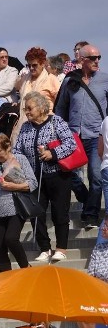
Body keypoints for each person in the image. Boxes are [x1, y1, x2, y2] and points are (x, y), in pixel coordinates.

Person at [13, 91, 77, 262]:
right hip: (34, 178)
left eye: (29, 108)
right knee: (35, 213)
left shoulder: (56, 122)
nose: (26, 112)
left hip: (58, 176)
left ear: (41, 108)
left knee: (59, 213)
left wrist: (53, 153)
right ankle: (44, 247)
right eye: (25, 109)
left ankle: (61, 248)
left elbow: (70, 143)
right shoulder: (25, 127)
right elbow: (17, 150)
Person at [55, 42, 108, 229]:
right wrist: (59, 130)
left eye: (99, 57)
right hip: (73, 135)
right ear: (82, 60)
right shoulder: (70, 80)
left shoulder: (105, 79)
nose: (97, 61)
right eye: (93, 58)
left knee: (96, 175)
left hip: (96, 135)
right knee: (66, 173)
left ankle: (91, 214)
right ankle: (86, 199)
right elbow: (61, 107)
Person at [0, 134, 38, 271]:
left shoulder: (20, 159)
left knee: (11, 238)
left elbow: (33, 183)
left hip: (16, 208)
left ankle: (26, 268)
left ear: (8, 147)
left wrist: (13, 187)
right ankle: (6, 278)